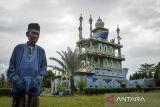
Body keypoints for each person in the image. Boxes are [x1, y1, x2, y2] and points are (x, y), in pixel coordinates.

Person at [7, 23, 47, 107]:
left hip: (34, 89)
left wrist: (36, 81)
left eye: (37, 34)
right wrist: (17, 81)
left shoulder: (41, 51)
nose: (35, 36)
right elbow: (11, 68)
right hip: (18, 89)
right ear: (27, 34)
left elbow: (43, 69)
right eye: (33, 33)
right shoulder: (18, 48)